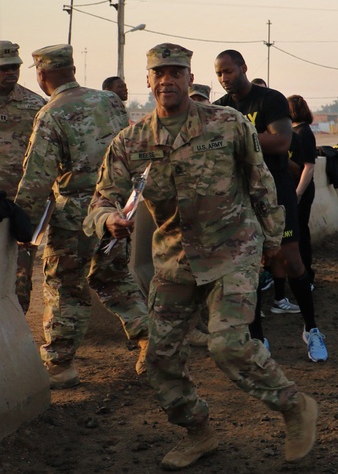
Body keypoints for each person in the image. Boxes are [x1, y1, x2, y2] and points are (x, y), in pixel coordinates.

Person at [88, 43, 317, 468]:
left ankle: (293, 406)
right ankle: (198, 431)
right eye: (159, 73)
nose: (167, 80)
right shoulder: (132, 140)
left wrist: (271, 242)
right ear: (149, 81)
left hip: (234, 249)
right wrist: (109, 220)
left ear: (191, 79)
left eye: (176, 72)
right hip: (175, 259)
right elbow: (102, 198)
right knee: (157, 357)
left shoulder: (226, 123)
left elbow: (261, 181)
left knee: (228, 345)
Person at [15, 44, 148, 389]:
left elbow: (37, 178)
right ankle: (150, 341)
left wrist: (22, 224)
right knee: (115, 277)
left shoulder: (50, 113)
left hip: (74, 213)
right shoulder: (109, 101)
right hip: (115, 206)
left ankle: (60, 365)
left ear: (42, 75)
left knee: (64, 286)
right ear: (72, 68)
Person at [214, 49, 327, 362]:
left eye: (229, 71)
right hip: (239, 192)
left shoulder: (270, 100)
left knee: (291, 259)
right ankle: (258, 338)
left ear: (243, 68)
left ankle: (311, 328)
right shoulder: (219, 108)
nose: (224, 79)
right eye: (219, 74)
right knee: (247, 267)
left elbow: (281, 142)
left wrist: (236, 135)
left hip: (276, 188)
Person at [0, 40, 46, 313]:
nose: (11, 73)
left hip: (21, 206)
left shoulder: (34, 105)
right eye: (4, 68)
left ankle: (15, 334)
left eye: (14, 67)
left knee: (20, 276)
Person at [288, 95, 317, 286]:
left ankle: (307, 276)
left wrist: (298, 193)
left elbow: (309, 166)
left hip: (300, 191)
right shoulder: (291, 131)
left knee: (301, 234)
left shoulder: (304, 133)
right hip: (291, 189)